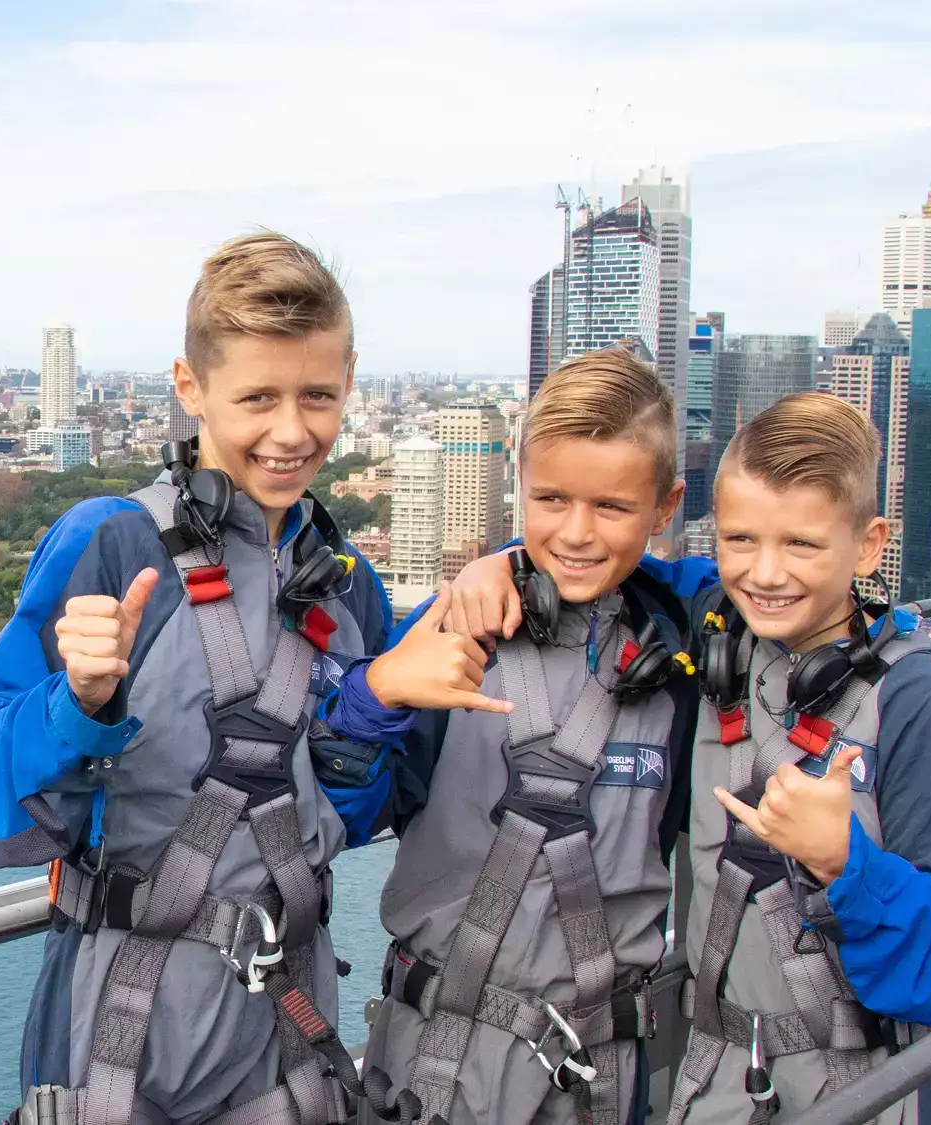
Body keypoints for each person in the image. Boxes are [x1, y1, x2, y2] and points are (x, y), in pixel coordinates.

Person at [0, 232, 402, 1125]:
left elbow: (353, 813)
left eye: (317, 395)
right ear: (190, 390)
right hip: (129, 1038)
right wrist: (75, 703)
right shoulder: (113, 545)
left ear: (350, 384)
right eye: (257, 397)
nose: (291, 430)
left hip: (288, 1035)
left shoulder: (344, 584)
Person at [329, 348, 715, 1125]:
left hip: (598, 1074)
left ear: (665, 505)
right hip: (437, 1062)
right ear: (518, 483)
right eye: (550, 499)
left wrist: (508, 557)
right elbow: (343, 808)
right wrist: (373, 698)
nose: (576, 532)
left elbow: (765, 593)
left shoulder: (684, 641)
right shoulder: (454, 633)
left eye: (611, 507)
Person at [663, 392, 931, 1124]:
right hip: (720, 1080)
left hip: (875, 1088)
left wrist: (844, 864)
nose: (764, 573)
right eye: (740, 541)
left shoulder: (918, 697)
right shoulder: (716, 642)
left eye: (801, 544)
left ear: (867, 544)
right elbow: (601, 559)